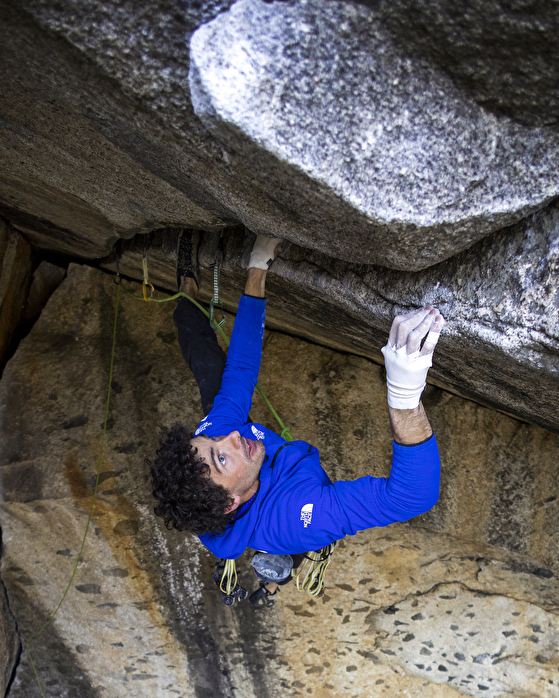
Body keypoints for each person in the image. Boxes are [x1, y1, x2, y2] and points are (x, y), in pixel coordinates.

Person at [150, 230, 444, 606]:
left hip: (252, 485)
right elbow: (411, 497)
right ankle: (274, 578)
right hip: (285, 518)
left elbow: (240, 369)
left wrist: (258, 267)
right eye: (220, 457)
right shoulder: (296, 515)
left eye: (211, 443)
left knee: (211, 367)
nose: (230, 437)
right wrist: (405, 396)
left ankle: (185, 291)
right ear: (229, 504)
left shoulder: (220, 439)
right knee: (283, 552)